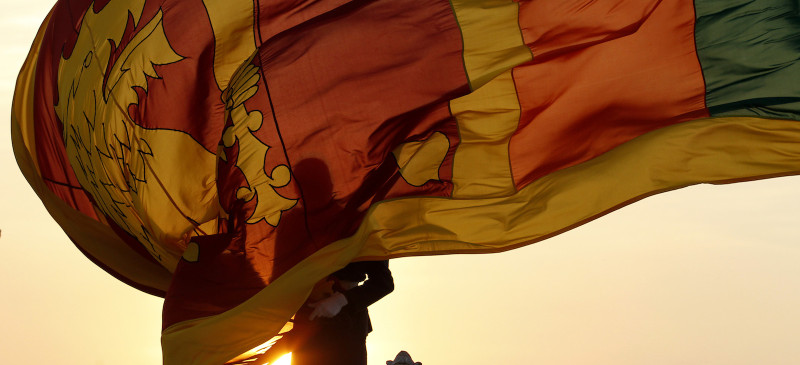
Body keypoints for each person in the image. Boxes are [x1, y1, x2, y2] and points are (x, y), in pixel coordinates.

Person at [290, 260, 394, 365]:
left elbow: (383, 283)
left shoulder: (367, 243)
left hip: (346, 325)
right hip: (306, 322)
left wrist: (342, 301)